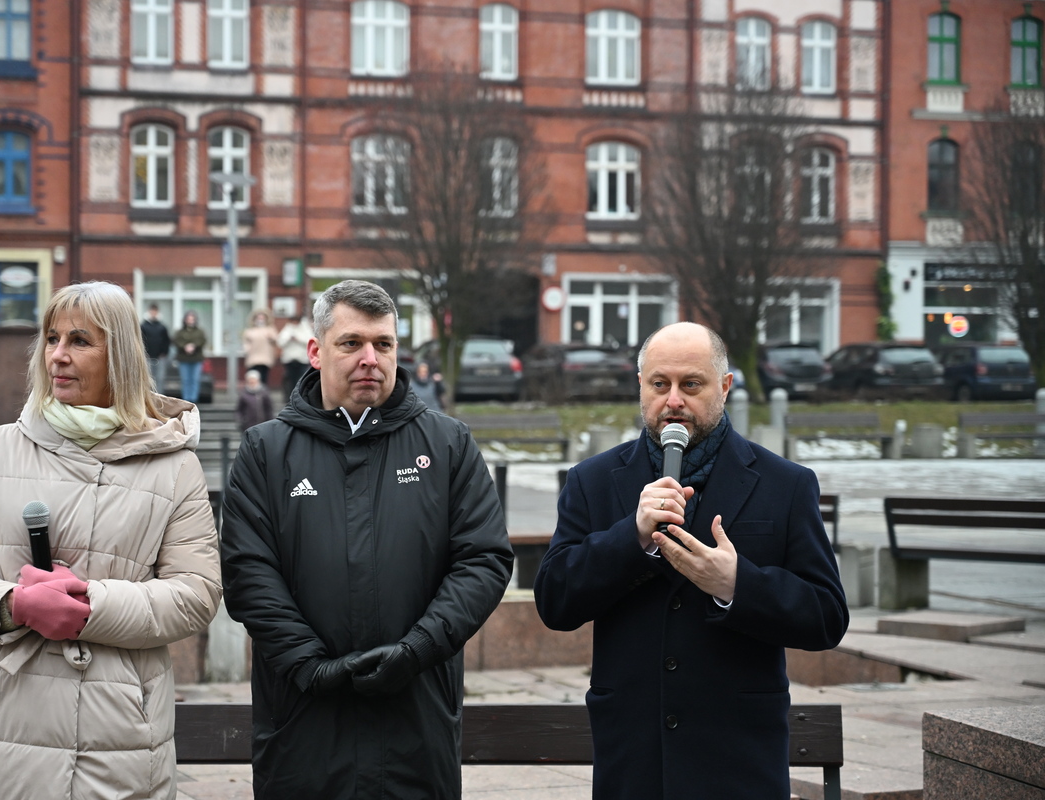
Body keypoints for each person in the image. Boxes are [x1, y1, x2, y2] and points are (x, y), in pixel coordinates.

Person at [220, 279, 513, 799]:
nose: (370, 359)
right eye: (351, 343)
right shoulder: (265, 451)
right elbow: (247, 571)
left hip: (415, 721)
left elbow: (484, 560)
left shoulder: (448, 445)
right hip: (303, 722)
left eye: (384, 344)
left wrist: (417, 648)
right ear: (315, 352)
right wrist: (312, 667)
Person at [534, 321, 848, 800]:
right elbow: (555, 601)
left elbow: (827, 616)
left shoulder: (785, 484)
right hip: (634, 758)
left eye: (691, 385)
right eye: (660, 384)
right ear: (641, 386)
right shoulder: (592, 481)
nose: (673, 400)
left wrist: (736, 584)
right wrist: (631, 537)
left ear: (724, 387)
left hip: (738, 760)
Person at [0, 281, 223, 800]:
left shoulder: (176, 465)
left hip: (119, 734)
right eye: (51, 339)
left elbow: (197, 594)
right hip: (7, 723)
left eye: (80, 341)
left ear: (122, 355)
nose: (58, 357)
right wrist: (12, 603)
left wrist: (93, 606)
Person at [171, 310, 207, 404]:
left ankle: (194, 399)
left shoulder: (199, 331)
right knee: (185, 380)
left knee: (194, 379)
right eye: (188, 319)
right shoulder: (180, 332)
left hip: (196, 359)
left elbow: (202, 340)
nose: (190, 321)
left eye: (192, 319)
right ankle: (186, 399)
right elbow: (176, 341)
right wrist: (185, 347)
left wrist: (194, 346)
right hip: (184, 359)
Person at [276, 314, 314, 402]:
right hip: (289, 360)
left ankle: (300, 397)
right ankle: (289, 398)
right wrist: (289, 339)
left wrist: (298, 339)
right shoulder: (287, 329)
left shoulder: (305, 329)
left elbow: (309, 341)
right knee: (289, 380)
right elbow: (280, 342)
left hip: (302, 359)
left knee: (301, 379)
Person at [241, 307, 279, 387]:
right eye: (258, 318)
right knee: (252, 376)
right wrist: (246, 350)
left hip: (265, 357)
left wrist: (271, 338)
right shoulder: (250, 331)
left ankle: (262, 394)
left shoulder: (270, 330)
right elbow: (246, 343)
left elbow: (275, 341)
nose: (260, 320)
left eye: (262, 318)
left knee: (263, 377)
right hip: (253, 357)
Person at [140, 302, 170, 393]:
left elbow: (166, 341)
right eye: (152, 311)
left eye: (155, 311)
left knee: (160, 379)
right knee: (147, 379)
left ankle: (160, 399)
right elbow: (140, 340)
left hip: (160, 358)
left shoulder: (162, 327)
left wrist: (164, 353)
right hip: (147, 357)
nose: (153, 313)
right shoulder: (143, 326)